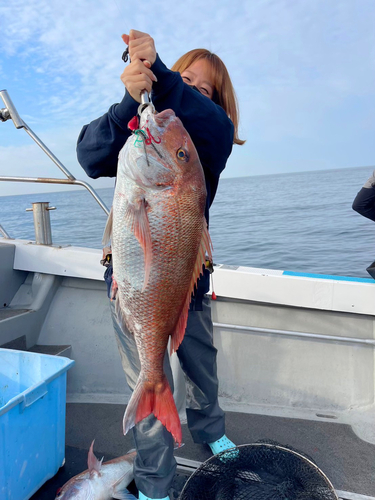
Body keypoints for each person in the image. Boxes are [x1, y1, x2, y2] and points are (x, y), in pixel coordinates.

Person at [76, 29, 245, 500]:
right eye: (183, 79)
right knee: (147, 377)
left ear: (216, 103)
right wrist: (130, 101)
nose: (187, 91)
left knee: (201, 366)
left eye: (201, 89)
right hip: (131, 287)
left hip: (187, 283)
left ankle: (210, 430)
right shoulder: (142, 137)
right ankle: (154, 484)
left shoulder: (204, 143)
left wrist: (167, 80)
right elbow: (89, 155)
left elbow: (212, 126)